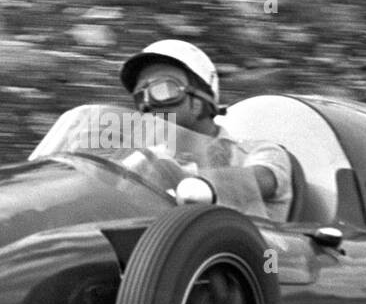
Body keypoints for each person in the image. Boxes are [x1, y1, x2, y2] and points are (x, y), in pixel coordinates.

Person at [119, 39, 294, 221]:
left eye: (163, 89)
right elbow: (106, 195)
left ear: (201, 96)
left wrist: (180, 177)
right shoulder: (146, 160)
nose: (147, 103)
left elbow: (259, 180)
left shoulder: (261, 152)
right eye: (140, 95)